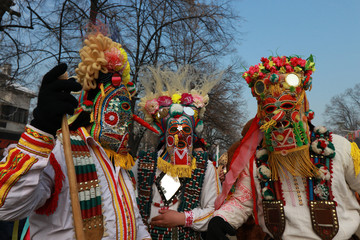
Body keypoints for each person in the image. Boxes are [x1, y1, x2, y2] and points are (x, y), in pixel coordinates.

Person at [0, 30, 151, 239]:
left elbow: (133, 221)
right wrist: (41, 128)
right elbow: (7, 207)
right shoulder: (60, 149)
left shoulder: (123, 164)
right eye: (115, 108)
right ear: (94, 107)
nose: (122, 118)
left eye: (126, 110)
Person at [207, 55, 360, 240]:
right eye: (270, 110)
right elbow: (241, 201)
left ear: (303, 105)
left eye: (287, 106)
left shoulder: (339, 147)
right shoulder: (256, 159)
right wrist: (220, 220)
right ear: (261, 114)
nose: (279, 117)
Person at [132, 66, 221, 239]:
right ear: (164, 134)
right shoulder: (143, 164)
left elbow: (214, 211)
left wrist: (183, 218)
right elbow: (129, 204)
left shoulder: (205, 166)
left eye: (186, 131)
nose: (180, 137)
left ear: (194, 134)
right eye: (173, 130)